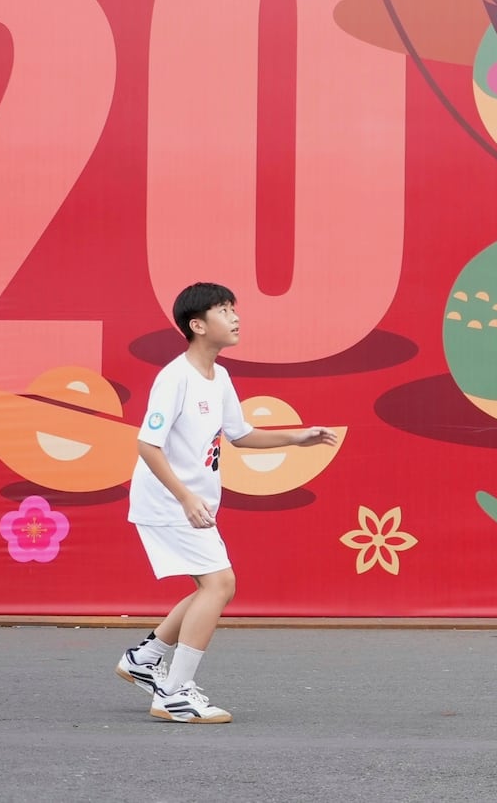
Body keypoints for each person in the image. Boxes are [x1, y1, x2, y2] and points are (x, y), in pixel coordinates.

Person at [115, 282, 338, 724]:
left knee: (209, 586)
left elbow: (240, 435)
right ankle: (173, 693)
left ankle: (146, 659)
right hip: (169, 501)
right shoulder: (175, 377)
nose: (235, 316)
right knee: (220, 585)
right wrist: (184, 498)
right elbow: (147, 445)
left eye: (234, 308)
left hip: (190, 502)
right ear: (197, 325)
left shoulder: (219, 377)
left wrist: (298, 435)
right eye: (223, 310)